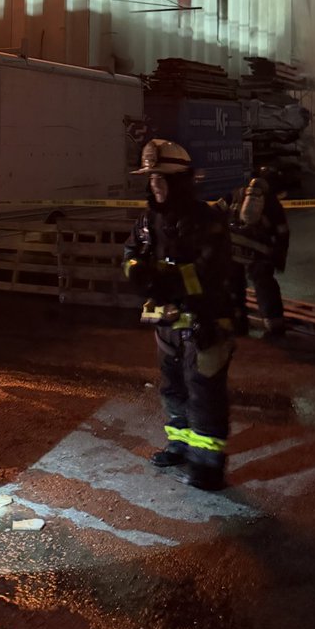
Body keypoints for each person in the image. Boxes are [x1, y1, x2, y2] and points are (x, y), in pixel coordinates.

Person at [124, 139, 235, 491]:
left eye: (162, 178)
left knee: (204, 392)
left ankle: (207, 465)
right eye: (151, 178)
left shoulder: (206, 220)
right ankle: (180, 445)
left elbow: (211, 271)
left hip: (206, 321)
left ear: (181, 181)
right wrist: (134, 270)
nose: (155, 184)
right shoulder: (147, 221)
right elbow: (130, 254)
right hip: (167, 324)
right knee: (173, 388)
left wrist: (165, 279)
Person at [227, 166, 290, 338]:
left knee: (235, 287)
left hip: (233, 250)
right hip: (259, 253)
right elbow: (282, 232)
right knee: (265, 288)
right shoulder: (272, 203)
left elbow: (220, 212)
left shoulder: (238, 193)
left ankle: (238, 325)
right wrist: (279, 257)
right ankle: (274, 327)